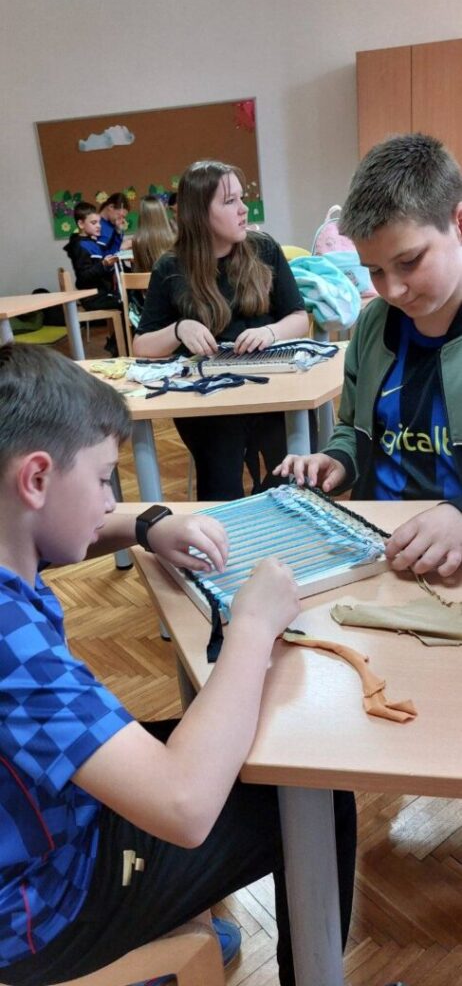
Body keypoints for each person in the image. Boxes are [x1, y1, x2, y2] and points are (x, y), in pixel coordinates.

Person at [0, 342, 356, 986]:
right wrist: (252, 626)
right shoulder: (10, 640)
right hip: (44, 910)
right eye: (104, 479)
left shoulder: (9, 542)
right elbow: (184, 806)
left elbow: (66, 526)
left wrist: (147, 524)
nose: (109, 501)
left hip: (34, 836)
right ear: (36, 479)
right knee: (312, 797)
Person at [275, 132, 462, 579]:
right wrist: (337, 461)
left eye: (409, 261)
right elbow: (353, 427)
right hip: (377, 552)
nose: (392, 289)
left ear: (459, 223)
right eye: (374, 270)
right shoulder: (375, 324)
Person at [133, 160, 310, 500]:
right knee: (220, 480)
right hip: (211, 403)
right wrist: (179, 329)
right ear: (199, 213)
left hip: (274, 389)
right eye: (230, 201)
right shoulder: (171, 266)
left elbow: (299, 318)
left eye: (242, 198)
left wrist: (271, 333)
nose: (244, 209)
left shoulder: (264, 249)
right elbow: (142, 345)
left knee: (292, 475)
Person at [64, 201, 120, 312]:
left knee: (129, 295)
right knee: (128, 300)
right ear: (81, 224)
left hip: (99, 293)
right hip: (93, 298)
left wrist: (108, 264)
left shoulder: (90, 242)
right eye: (94, 223)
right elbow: (83, 277)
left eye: (99, 222)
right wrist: (103, 264)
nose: (99, 226)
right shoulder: (81, 246)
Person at [132, 195, 175, 272]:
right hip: (170, 278)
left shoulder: (138, 240)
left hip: (146, 279)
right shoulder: (172, 237)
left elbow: (138, 269)